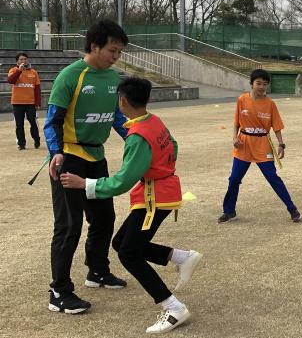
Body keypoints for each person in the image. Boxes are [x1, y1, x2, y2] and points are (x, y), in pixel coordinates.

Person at [60, 77, 202, 333]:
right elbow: (174, 146)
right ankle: (182, 257)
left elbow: (123, 180)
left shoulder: (137, 136)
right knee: (121, 243)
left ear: (122, 101)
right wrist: (162, 167)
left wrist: (85, 184)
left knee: (128, 253)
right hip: (161, 192)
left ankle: (173, 307)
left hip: (155, 198)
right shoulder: (153, 120)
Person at [43, 19, 129, 314]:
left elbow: (117, 118)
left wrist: (137, 140)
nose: (116, 56)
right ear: (95, 46)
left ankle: (97, 271)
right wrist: (55, 153)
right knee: (69, 226)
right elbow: (52, 120)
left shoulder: (114, 78)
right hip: (69, 156)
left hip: (97, 157)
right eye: (112, 50)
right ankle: (59, 291)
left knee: (104, 219)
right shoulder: (71, 76)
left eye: (119, 52)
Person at [218, 68, 302, 223]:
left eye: (265, 84)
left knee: (272, 177)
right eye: (258, 83)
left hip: (263, 144)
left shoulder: (270, 104)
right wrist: (234, 138)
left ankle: (292, 209)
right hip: (243, 144)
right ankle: (229, 211)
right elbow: (236, 123)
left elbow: (276, 126)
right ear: (251, 84)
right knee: (234, 178)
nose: (262, 87)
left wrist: (281, 145)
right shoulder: (242, 100)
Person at [7, 52, 41, 150]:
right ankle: (21, 144)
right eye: (21, 59)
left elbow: (37, 88)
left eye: (25, 59)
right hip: (17, 103)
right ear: (17, 61)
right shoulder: (13, 70)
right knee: (19, 124)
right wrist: (19, 71)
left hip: (30, 103)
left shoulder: (34, 72)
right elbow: (11, 81)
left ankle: (36, 140)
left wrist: (38, 102)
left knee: (33, 123)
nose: (23, 61)